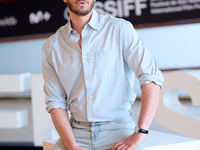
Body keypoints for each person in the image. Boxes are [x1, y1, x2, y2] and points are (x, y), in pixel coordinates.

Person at [42, 0, 164, 149]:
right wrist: (72, 145)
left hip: (118, 128)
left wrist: (141, 131)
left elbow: (151, 77)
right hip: (76, 132)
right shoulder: (52, 47)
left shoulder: (120, 29)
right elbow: (55, 102)